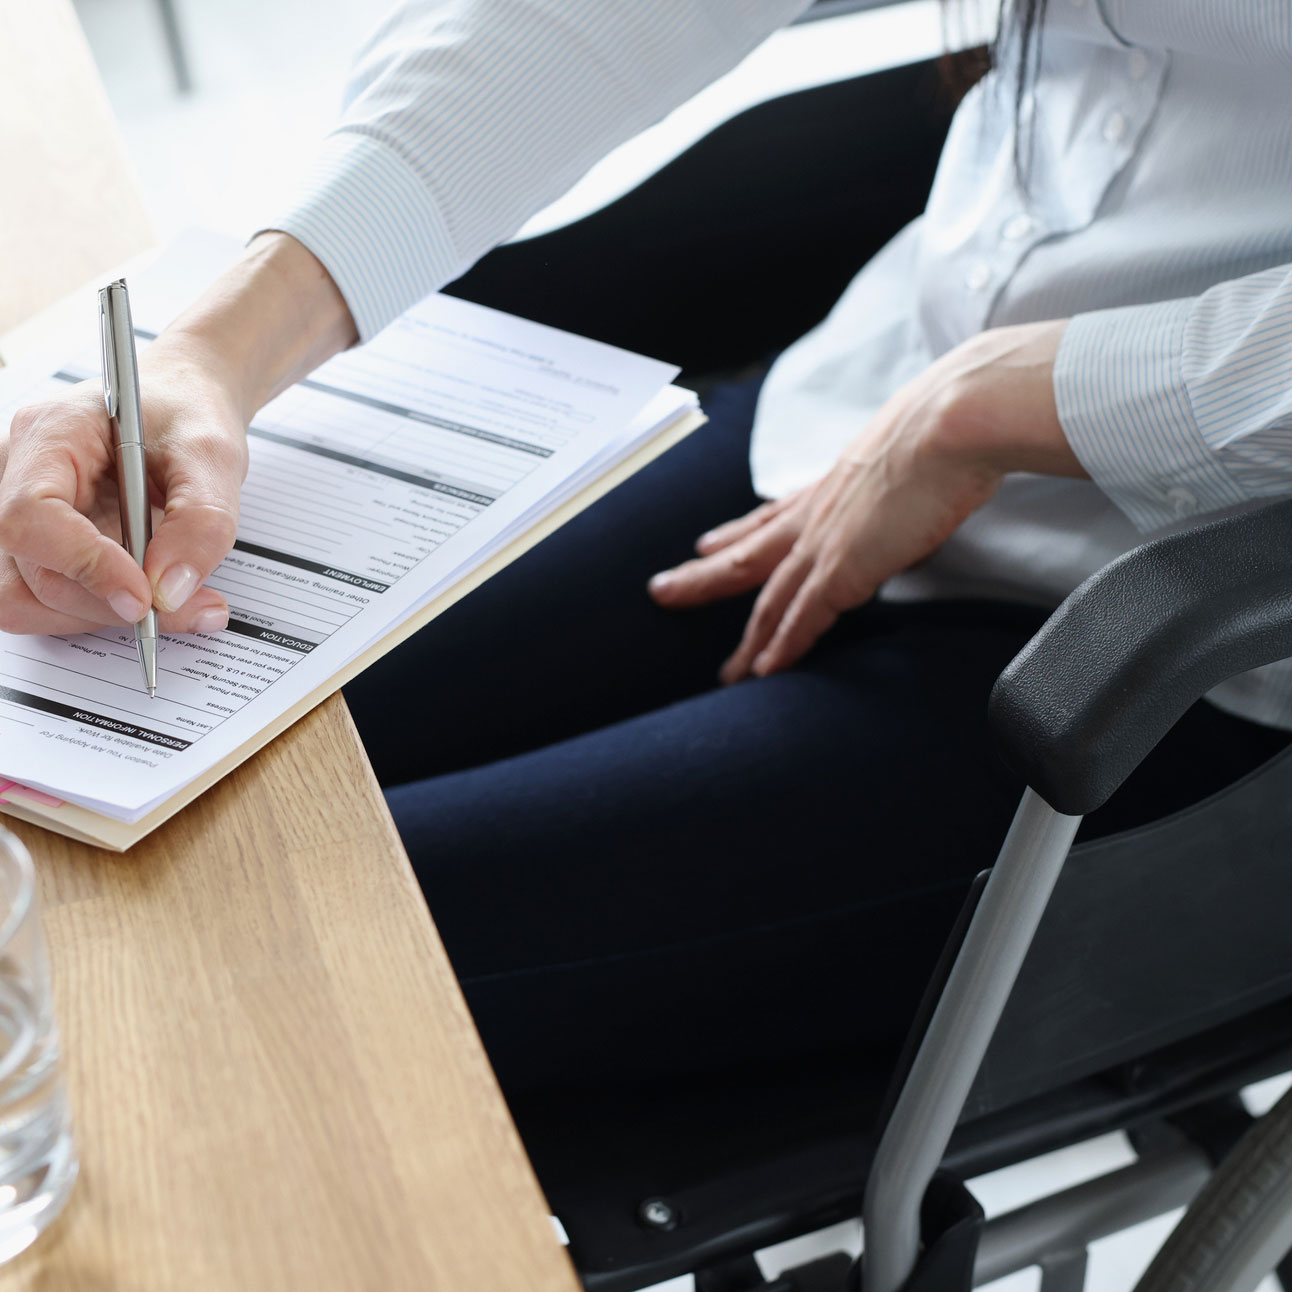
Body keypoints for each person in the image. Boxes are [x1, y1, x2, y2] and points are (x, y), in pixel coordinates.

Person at [3, 0, 1292, 1092]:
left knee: (184, 976)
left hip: (1179, 643)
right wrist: (220, 348)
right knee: (62, 809)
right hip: (859, 420)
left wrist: (1025, 399)